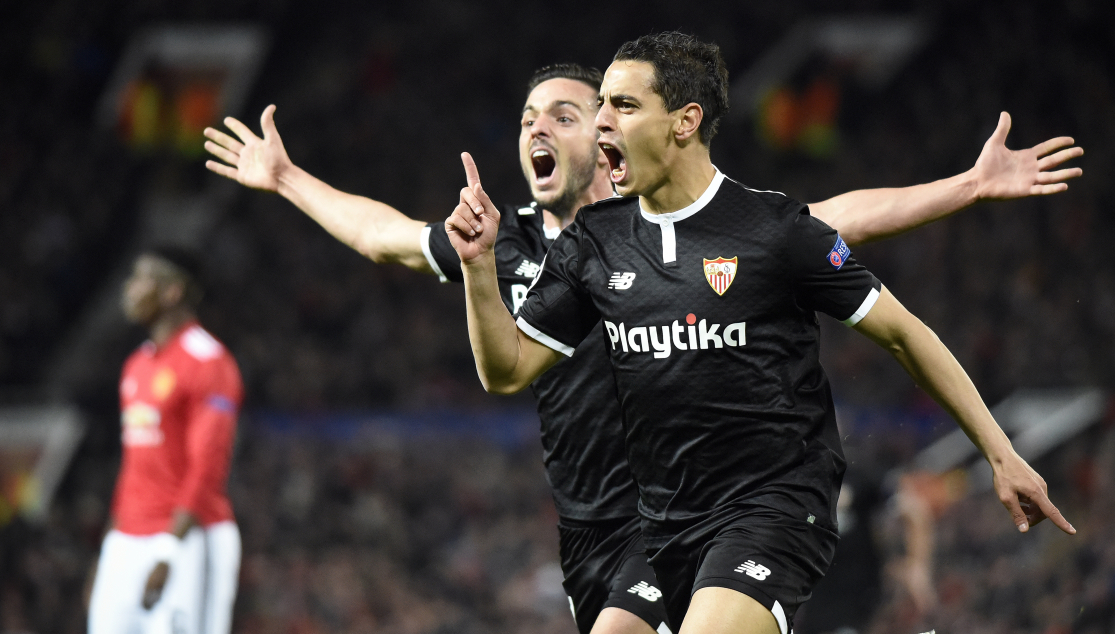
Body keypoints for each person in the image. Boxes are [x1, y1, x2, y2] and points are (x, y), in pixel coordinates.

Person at [203, 61, 1081, 634]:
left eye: (564, 113)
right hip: (588, 525)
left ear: (607, 142)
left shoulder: (671, 229)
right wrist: (284, 178)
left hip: (685, 509)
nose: (536, 128)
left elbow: (829, 218)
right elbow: (380, 235)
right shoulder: (501, 243)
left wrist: (964, 187)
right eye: (524, 115)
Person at [445, 32, 1077, 634]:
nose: (601, 121)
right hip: (664, 524)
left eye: (623, 105)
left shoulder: (772, 231)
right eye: (602, 103)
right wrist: (478, 267)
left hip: (773, 507)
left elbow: (904, 335)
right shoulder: (595, 244)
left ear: (684, 122)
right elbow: (506, 370)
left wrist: (1001, 453)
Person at [87, 248, 243, 634]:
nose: (129, 289)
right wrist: (111, 544)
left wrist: (169, 550)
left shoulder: (208, 361)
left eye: (139, 279)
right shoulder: (136, 365)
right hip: (128, 539)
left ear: (172, 292)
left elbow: (208, 464)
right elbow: (135, 464)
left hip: (190, 538)